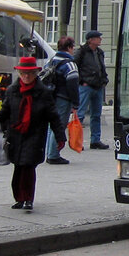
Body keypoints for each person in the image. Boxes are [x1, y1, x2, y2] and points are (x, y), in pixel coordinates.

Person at [0, 57, 66, 212]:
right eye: (23, 74)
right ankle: (19, 198)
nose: (26, 77)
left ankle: (27, 198)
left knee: (28, 166)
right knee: (18, 167)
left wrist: (60, 136)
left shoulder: (43, 92)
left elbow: (53, 116)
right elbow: (5, 111)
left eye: (29, 74)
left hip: (35, 134)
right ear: (19, 73)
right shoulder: (13, 90)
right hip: (16, 134)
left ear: (35, 74)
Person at [45, 36, 80, 164]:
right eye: (73, 47)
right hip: (63, 98)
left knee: (51, 125)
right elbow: (73, 83)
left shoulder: (52, 60)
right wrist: (75, 103)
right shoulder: (69, 64)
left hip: (51, 96)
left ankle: (49, 151)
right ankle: (53, 155)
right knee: (59, 125)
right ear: (69, 48)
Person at [75, 30, 110, 149]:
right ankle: (77, 140)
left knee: (96, 114)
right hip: (86, 86)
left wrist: (104, 80)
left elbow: (101, 67)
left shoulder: (99, 52)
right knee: (80, 114)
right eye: (98, 38)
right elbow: (75, 67)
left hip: (98, 85)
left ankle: (95, 140)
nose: (100, 39)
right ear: (91, 40)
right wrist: (81, 81)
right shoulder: (82, 52)